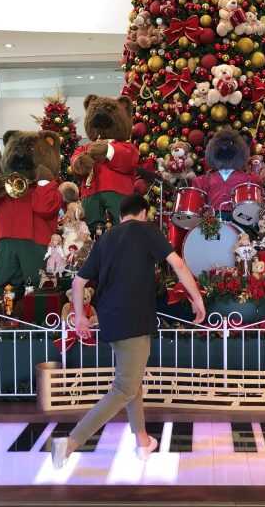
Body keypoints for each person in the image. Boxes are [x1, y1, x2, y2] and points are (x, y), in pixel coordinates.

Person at [51, 194, 206, 468]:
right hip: (134, 317)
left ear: (121, 215)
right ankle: (71, 442)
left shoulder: (106, 238)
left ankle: (143, 442)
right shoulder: (148, 231)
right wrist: (197, 298)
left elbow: (78, 282)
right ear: (143, 214)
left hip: (111, 319)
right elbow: (178, 264)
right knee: (124, 387)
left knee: (131, 380)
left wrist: (80, 317)